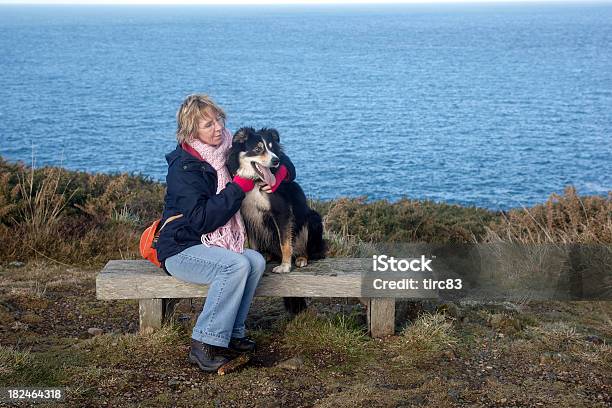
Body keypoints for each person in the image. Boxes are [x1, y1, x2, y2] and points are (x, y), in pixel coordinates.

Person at [155, 94, 296, 372]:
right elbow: (200, 221)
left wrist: (276, 177)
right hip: (181, 248)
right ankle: (204, 343)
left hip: (213, 245)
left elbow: (286, 164)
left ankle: (232, 334)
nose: (218, 128)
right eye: (208, 125)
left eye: (219, 119)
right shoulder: (184, 168)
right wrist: (239, 187)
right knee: (235, 265)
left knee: (254, 260)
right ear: (192, 131)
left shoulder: (232, 147)